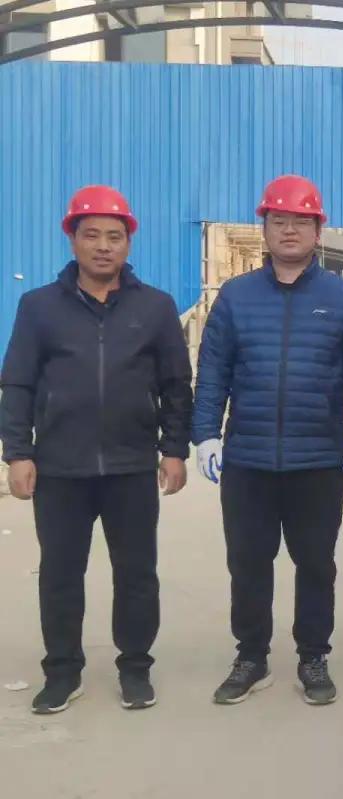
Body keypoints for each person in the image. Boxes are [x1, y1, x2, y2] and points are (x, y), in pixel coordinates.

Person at [0, 185, 192, 714]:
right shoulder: (39, 307)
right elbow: (17, 383)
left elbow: (176, 385)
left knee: (137, 575)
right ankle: (63, 672)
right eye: (92, 235)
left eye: (114, 236)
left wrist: (174, 449)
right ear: (73, 239)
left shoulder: (155, 307)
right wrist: (18, 452)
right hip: (59, 468)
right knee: (61, 576)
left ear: (128, 243)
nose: (103, 246)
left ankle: (135, 668)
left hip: (132, 466)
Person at [192, 175, 343, 707]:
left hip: (316, 460)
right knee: (248, 563)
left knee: (315, 563)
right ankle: (251, 657)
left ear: (318, 230)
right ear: (266, 228)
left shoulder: (342, 298)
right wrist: (205, 433)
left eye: (301, 221)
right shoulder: (236, 297)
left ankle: (313, 656)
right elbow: (213, 370)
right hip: (248, 460)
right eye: (279, 220)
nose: (290, 230)